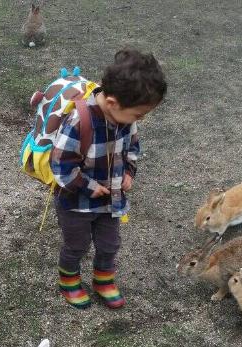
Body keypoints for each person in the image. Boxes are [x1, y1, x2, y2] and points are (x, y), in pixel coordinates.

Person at [50, 49, 167, 309]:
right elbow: (59, 166)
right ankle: (68, 279)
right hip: (76, 202)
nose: (141, 119)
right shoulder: (79, 121)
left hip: (111, 200)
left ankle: (104, 279)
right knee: (77, 244)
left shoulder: (126, 119)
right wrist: (88, 186)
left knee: (110, 243)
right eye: (138, 114)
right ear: (112, 103)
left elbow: (132, 150)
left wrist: (128, 172)